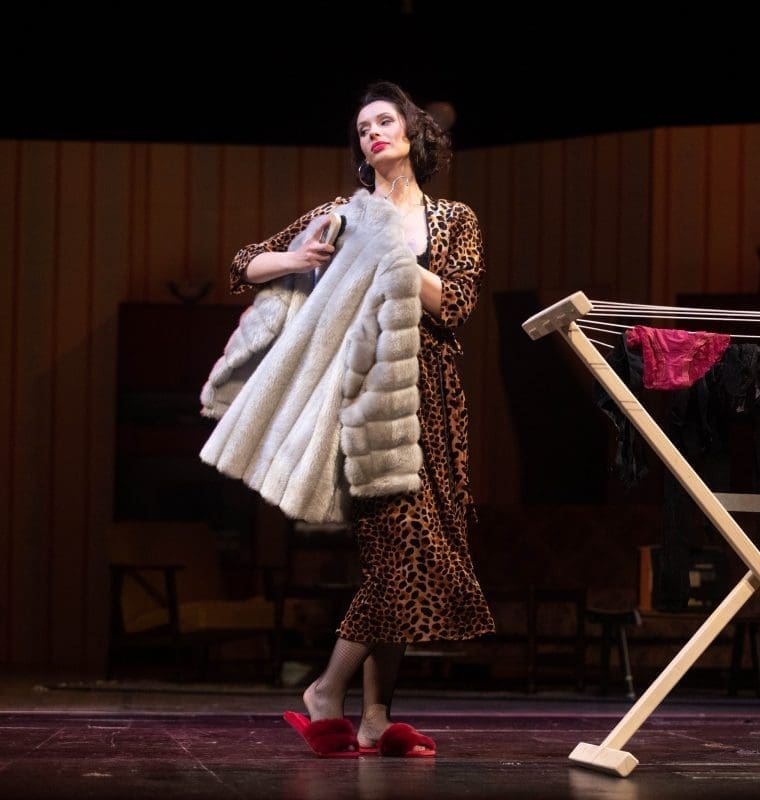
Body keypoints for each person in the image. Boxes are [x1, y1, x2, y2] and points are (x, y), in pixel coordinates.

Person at [226, 80, 495, 757]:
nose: (372, 133)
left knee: (403, 560)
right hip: (368, 402)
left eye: (383, 121)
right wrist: (301, 257)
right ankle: (327, 691)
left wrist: (392, 251)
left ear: (412, 132)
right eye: (363, 128)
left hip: (435, 403)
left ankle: (375, 717)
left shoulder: (452, 219)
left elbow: (456, 304)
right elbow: (244, 265)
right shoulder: (341, 214)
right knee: (405, 552)